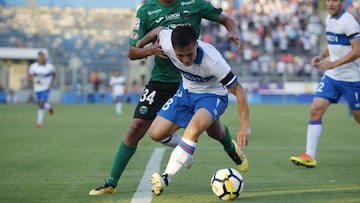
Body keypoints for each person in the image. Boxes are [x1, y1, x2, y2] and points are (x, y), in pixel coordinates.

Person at [89, 0, 242, 196]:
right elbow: (132, 51)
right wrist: (151, 50)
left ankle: (231, 149)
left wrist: (233, 31)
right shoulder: (146, 11)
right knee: (137, 127)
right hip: (161, 81)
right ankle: (111, 182)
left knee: (214, 130)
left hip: (195, 81)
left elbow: (226, 19)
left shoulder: (194, 4)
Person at [136, 25, 250, 195]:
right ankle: (185, 153)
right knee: (156, 134)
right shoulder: (167, 42)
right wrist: (141, 44)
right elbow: (158, 30)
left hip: (212, 96)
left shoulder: (213, 61)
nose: (186, 60)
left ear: (196, 44)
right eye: (180, 55)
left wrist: (244, 126)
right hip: (185, 92)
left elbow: (239, 91)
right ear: (173, 48)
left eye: (189, 54)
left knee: (193, 130)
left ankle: (166, 178)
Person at [290, 0, 360, 168]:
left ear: (342, 2)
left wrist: (333, 63)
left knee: (358, 117)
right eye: (328, 0)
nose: (330, 3)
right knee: (315, 109)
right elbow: (332, 44)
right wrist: (321, 57)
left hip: (352, 79)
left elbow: (357, 50)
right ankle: (309, 155)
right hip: (332, 76)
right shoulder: (329, 20)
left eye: (335, 0)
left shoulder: (349, 22)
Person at [28, 51, 55, 128]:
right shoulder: (33, 67)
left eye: (42, 57)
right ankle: (49, 106)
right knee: (40, 104)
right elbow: (30, 76)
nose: (41, 58)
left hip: (46, 88)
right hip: (37, 89)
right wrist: (35, 81)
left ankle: (39, 123)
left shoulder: (50, 67)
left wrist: (51, 83)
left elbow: (54, 74)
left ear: (44, 58)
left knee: (41, 104)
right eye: (40, 57)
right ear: (38, 58)